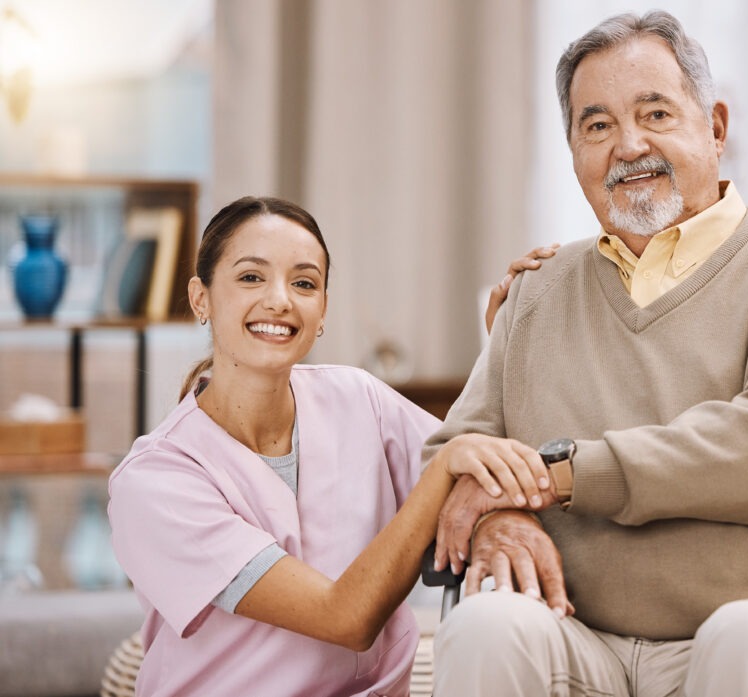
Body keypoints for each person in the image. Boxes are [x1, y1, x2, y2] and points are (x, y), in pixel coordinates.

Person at [425, 10, 748, 697]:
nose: (628, 144)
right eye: (597, 125)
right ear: (575, 152)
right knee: (485, 626)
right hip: (576, 633)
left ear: (716, 127)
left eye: (656, 113)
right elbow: (457, 455)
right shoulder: (537, 289)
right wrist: (493, 514)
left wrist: (562, 474)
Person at [107, 195, 555, 696]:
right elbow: (345, 618)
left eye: (303, 283)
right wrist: (447, 467)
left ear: (322, 311)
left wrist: (507, 348)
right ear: (201, 298)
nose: (279, 300)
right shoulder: (154, 481)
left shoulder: (358, 399)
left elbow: (486, 467)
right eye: (251, 277)